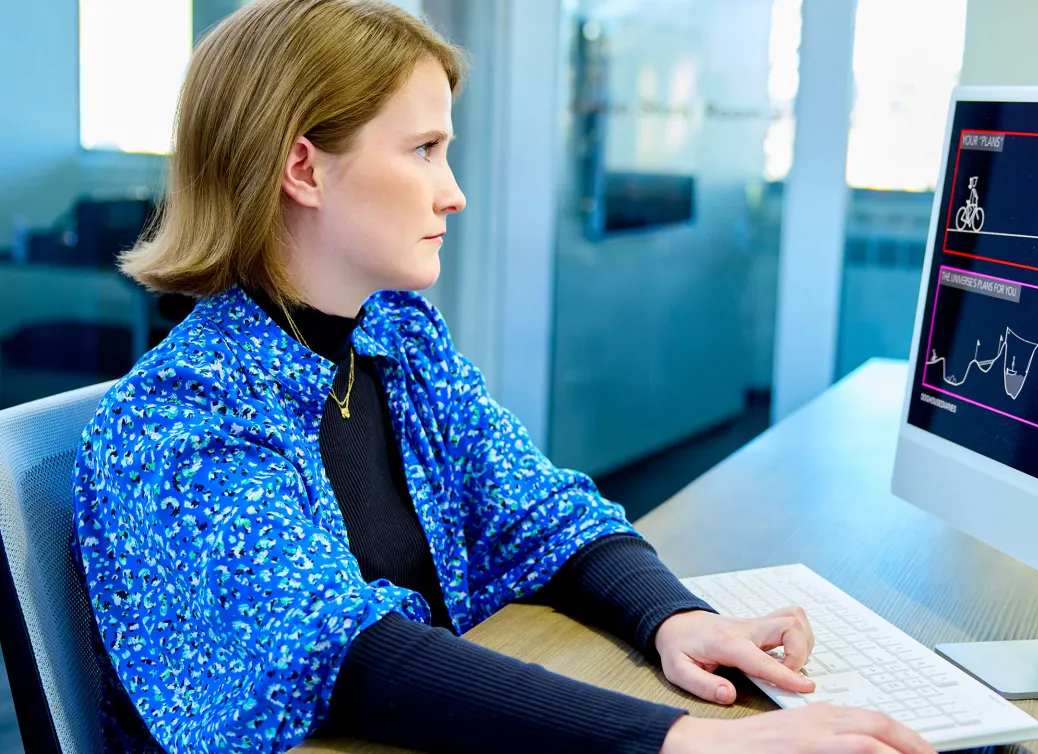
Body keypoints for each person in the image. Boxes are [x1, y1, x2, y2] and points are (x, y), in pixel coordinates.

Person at [70, 1, 935, 752]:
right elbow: (342, 654)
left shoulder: (397, 339)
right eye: (423, 150)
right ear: (303, 168)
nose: (454, 193)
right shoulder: (182, 418)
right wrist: (677, 740)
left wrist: (676, 618)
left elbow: (534, 510)